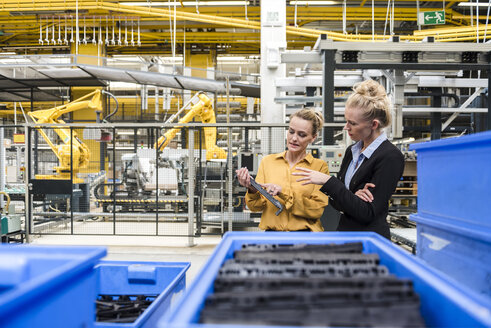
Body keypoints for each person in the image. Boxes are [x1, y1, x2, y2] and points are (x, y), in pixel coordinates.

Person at [293, 79, 404, 239]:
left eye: (352, 123)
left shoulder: (390, 157)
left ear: (373, 124)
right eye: (346, 120)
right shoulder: (352, 151)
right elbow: (337, 203)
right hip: (345, 234)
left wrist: (328, 182)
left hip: (370, 240)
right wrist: (350, 197)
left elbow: (367, 213)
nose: (346, 127)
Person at [236, 108, 330, 232]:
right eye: (291, 132)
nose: (294, 138)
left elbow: (316, 210)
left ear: (313, 137)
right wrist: (252, 189)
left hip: (305, 237)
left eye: (302, 135)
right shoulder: (268, 162)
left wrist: (283, 193)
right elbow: (255, 207)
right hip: (273, 237)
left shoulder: (319, 167)